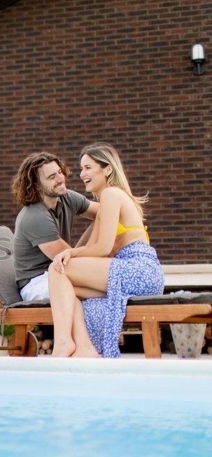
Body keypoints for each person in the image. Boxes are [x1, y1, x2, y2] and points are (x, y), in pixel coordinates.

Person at [48, 143, 164, 357]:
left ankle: (63, 344)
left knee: (58, 270)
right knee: (64, 286)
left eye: (88, 167)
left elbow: (103, 248)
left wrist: (70, 253)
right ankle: (85, 347)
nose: (83, 174)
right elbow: (92, 248)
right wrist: (73, 253)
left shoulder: (112, 194)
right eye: (81, 169)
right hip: (129, 271)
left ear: (107, 169)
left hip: (138, 269)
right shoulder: (106, 202)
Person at [12, 152, 99, 301]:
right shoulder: (35, 216)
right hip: (37, 283)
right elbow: (68, 262)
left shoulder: (66, 198)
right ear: (36, 185)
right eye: (52, 177)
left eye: (59, 172)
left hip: (59, 272)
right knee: (100, 288)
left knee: (102, 219)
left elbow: (105, 212)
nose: (61, 179)